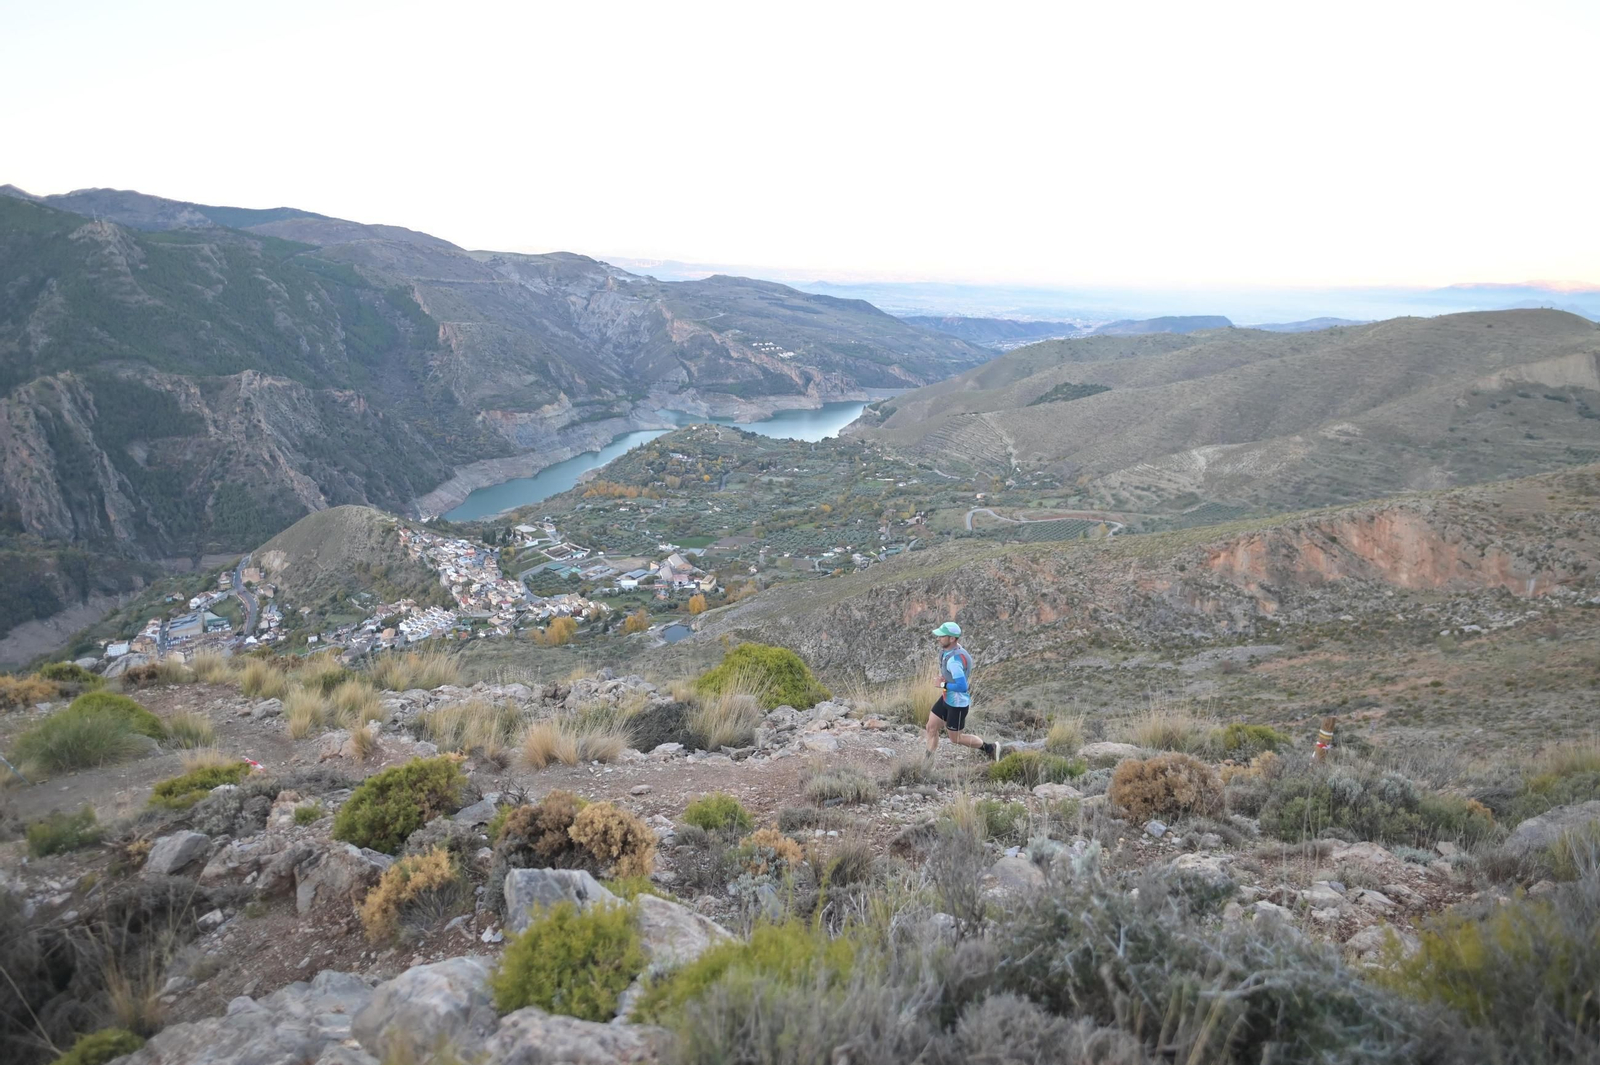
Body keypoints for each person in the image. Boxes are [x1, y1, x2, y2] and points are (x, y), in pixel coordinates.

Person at [924, 621, 999, 762]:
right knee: (931, 727)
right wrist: (945, 679)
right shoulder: (954, 650)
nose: (938, 638)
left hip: (957, 704)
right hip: (947, 698)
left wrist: (942, 683)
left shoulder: (954, 661)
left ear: (952, 639)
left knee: (956, 739)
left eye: (942, 636)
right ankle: (927, 763)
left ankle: (989, 748)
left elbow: (962, 686)